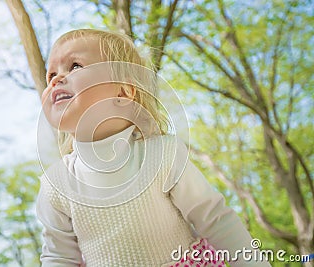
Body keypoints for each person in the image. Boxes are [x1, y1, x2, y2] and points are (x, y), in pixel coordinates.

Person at [36, 29, 271, 267]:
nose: (56, 79)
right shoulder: (56, 185)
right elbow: (59, 257)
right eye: (51, 74)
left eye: (75, 66)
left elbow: (215, 219)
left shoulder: (162, 156)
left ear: (124, 92)